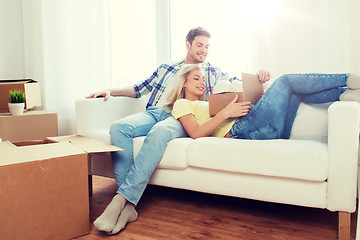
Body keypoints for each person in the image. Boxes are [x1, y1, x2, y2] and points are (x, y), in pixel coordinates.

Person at [86, 27, 271, 235]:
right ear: (188, 45)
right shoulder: (167, 68)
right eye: (199, 45)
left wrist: (259, 76)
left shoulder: (211, 71)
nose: (204, 50)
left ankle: (120, 201)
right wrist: (110, 90)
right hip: (156, 111)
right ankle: (126, 204)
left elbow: (238, 83)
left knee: (159, 132)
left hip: (181, 116)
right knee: (119, 127)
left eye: (207, 46)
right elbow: (138, 89)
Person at [170, 64, 360, 140]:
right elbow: (195, 133)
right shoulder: (182, 104)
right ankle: (348, 78)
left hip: (264, 127)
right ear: (184, 82)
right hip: (242, 131)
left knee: (295, 93)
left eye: (203, 78)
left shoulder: (210, 101)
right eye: (196, 78)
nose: (202, 82)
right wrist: (227, 112)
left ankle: (344, 95)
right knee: (285, 80)